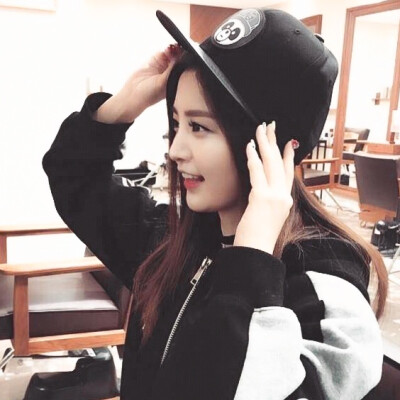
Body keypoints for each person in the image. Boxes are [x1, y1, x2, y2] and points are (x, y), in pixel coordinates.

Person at [43, 8, 388, 400]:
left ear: (271, 144)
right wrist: (124, 104)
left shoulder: (324, 284)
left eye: (199, 127)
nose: (175, 150)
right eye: (176, 123)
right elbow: (73, 178)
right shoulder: (174, 241)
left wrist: (249, 263)